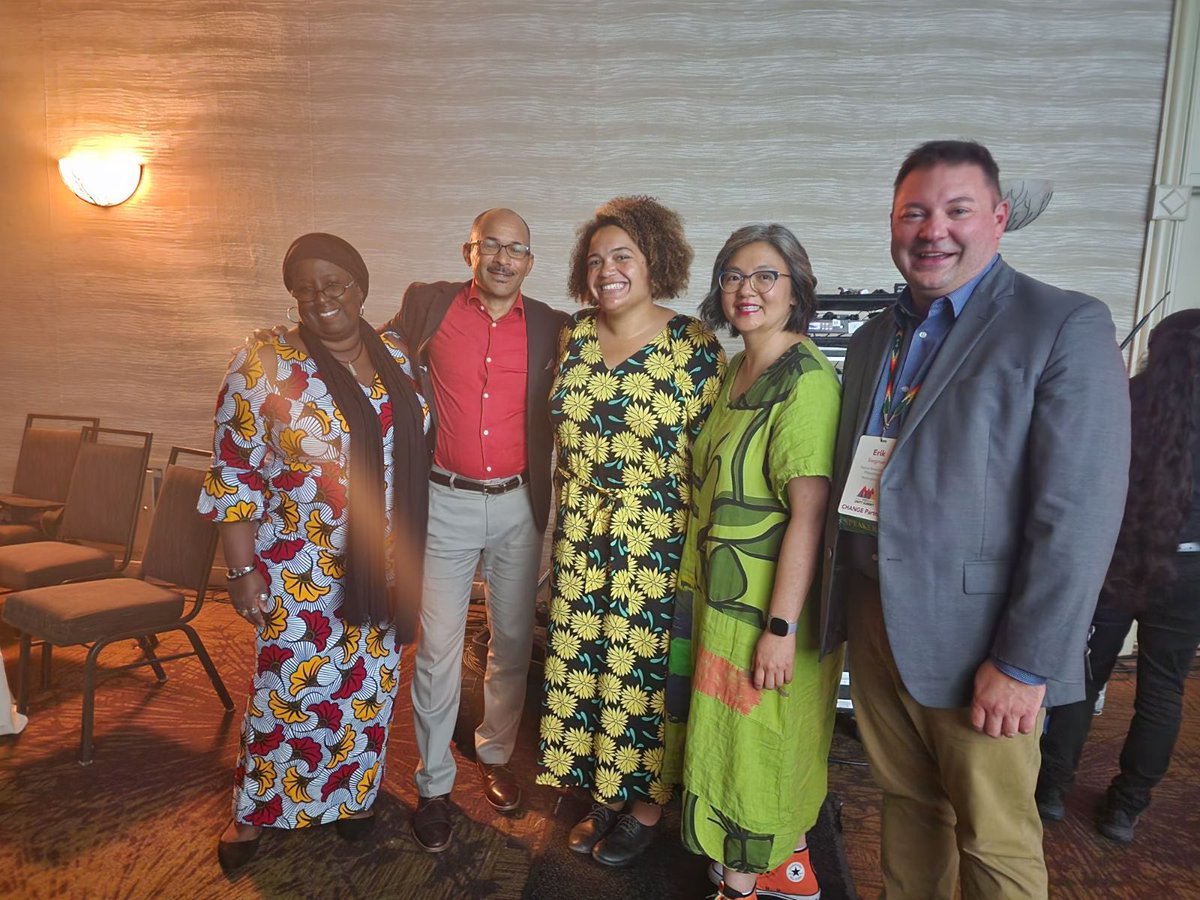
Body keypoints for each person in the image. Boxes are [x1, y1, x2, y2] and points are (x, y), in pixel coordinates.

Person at [819, 140, 1131, 899]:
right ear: (893, 224)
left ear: (996, 218)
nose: (934, 230)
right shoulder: (872, 338)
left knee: (993, 838)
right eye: (914, 213)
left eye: (957, 210)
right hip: (875, 615)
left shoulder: (1061, 324)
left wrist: (1026, 663)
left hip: (982, 643)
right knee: (909, 808)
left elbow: (1078, 513)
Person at [199, 233, 429, 871]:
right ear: (292, 293)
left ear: (360, 286)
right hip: (298, 564)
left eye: (335, 282)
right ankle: (254, 813)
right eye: (306, 285)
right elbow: (235, 470)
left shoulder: (396, 357)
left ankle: (351, 796)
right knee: (285, 691)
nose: (321, 295)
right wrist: (241, 570)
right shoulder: (263, 361)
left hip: (382, 562)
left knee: (367, 687)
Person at [534, 195, 725, 867]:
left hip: (656, 540)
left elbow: (711, 462)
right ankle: (602, 797)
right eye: (595, 260)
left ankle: (646, 806)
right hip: (583, 535)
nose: (606, 271)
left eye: (623, 257)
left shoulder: (696, 347)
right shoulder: (576, 335)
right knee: (586, 671)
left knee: (643, 679)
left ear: (655, 263)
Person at [665, 224, 843, 900]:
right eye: (734, 275)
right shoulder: (734, 370)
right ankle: (784, 866)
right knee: (726, 741)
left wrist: (780, 627)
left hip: (768, 612)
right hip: (719, 602)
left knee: (759, 749)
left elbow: (810, 513)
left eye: (766, 274)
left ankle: (739, 887)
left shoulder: (806, 381)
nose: (748, 289)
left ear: (795, 287)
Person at [385, 209, 570, 853]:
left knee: (512, 639)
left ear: (529, 261)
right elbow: (374, 362)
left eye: (515, 249)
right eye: (490, 244)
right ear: (470, 250)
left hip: (520, 504)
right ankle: (434, 785)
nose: (502, 258)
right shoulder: (427, 305)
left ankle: (493, 753)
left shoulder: (553, 325)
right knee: (437, 647)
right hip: (446, 501)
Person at [1037, 308, 1200, 844]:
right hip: (1189, 571)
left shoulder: (1124, 399)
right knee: (1162, 689)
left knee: (1082, 677)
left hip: (1114, 559)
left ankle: (1051, 790)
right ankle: (1126, 808)